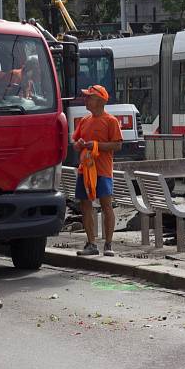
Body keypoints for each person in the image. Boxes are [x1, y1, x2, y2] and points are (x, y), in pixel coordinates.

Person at [73, 85, 123, 256]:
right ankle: (91, 244)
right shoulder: (84, 120)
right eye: (86, 97)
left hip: (102, 171)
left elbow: (117, 144)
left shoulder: (111, 121)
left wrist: (96, 145)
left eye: (89, 97)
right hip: (85, 170)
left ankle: (108, 244)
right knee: (85, 205)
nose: (86, 99)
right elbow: (74, 142)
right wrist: (79, 145)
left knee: (106, 206)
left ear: (100, 101)